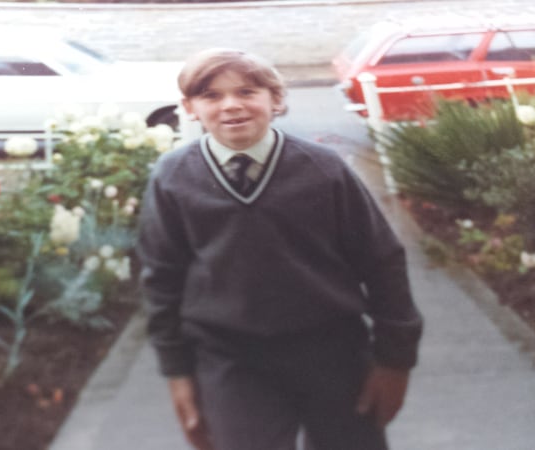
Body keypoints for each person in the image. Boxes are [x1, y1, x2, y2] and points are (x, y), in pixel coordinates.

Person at [136, 48, 423, 450]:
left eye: (247, 91)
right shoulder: (173, 178)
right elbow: (162, 278)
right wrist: (178, 373)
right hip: (231, 360)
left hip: (333, 353)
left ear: (277, 99)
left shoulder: (324, 170)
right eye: (212, 96)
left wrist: (396, 359)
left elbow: (382, 262)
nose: (231, 105)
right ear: (190, 108)